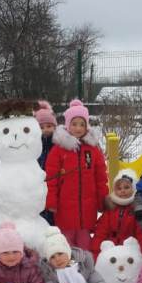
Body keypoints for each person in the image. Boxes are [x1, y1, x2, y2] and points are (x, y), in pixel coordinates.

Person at [44, 99, 109, 249]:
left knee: (85, 242)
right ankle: (67, 268)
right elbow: (51, 179)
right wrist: (51, 201)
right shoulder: (59, 150)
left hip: (88, 207)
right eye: (74, 124)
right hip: (64, 207)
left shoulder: (93, 150)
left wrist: (102, 200)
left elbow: (101, 178)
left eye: (82, 124)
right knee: (67, 243)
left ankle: (84, 269)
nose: (78, 128)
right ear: (67, 125)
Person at [90, 168, 142, 259]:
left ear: (134, 188)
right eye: (119, 188)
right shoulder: (110, 210)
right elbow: (100, 234)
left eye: (126, 187)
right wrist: (96, 256)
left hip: (130, 254)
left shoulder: (137, 211)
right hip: (110, 252)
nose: (122, 191)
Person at [34, 100, 57, 225]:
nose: (45, 130)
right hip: (38, 186)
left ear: (54, 126)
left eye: (49, 126)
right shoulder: (34, 145)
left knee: (53, 217)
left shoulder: (58, 144)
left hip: (53, 185)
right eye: (41, 127)